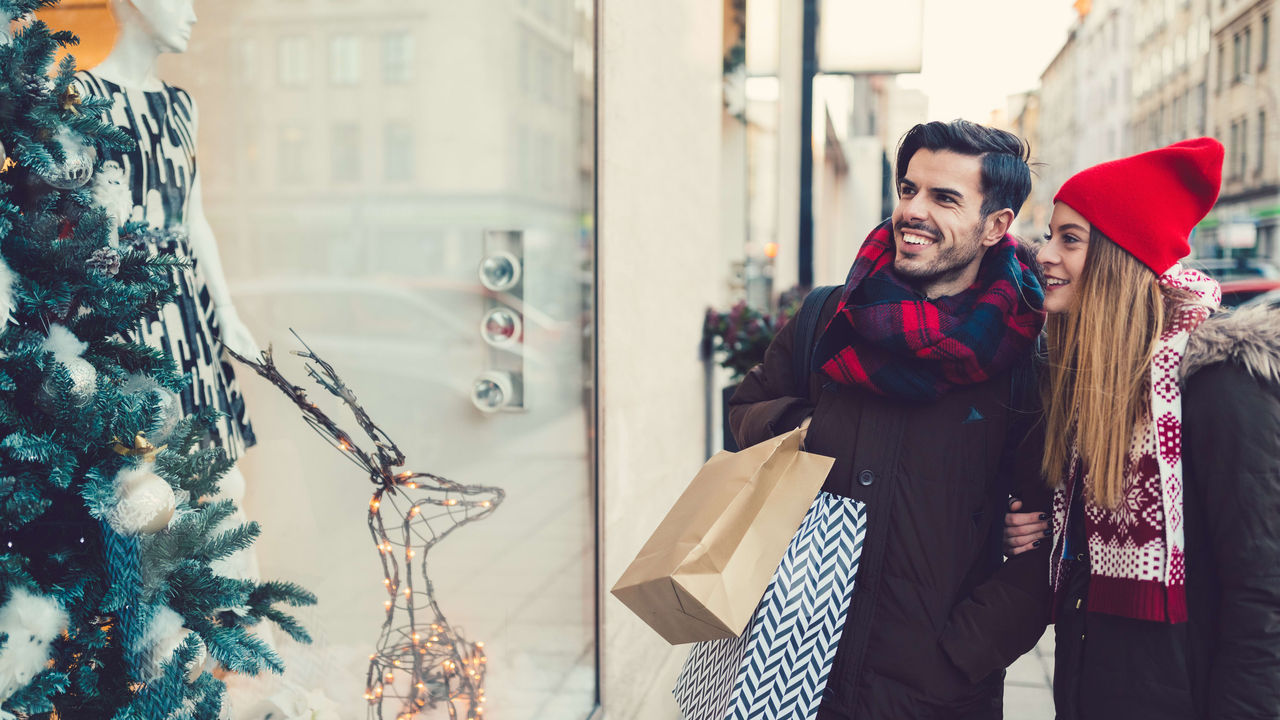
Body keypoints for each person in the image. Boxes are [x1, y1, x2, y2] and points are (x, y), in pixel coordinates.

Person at [729, 119, 1051, 719]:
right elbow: (745, 412)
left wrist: (959, 656)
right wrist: (816, 431)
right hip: (790, 666)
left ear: (996, 225)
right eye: (908, 189)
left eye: (944, 197)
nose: (913, 211)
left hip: (929, 691)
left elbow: (1047, 544)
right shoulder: (829, 315)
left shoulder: (1024, 358)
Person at [1004, 137, 1280, 718]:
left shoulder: (1216, 386)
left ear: (1120, 257)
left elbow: (1264, 594)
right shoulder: (1093, 383)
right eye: (1050, 234)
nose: (1044, 254)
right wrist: (1037, 528)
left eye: (1069, 239)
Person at [74, 0, 260, 581]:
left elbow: (193, 218)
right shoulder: (82, 96)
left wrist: (225, 310)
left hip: (188, 312)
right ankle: (167, 642)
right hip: (124, 313)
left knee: (220, 475)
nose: (194, 15)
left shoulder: (181, 106)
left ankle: (238, 627)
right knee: (149, 484)